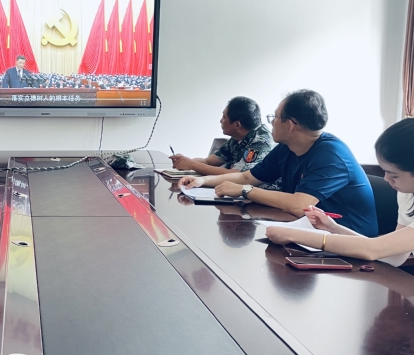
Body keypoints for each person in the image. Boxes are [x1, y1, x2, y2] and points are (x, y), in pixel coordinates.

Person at [179, 90, 378, 236]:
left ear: (290, 125)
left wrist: (245, 191)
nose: (272, 122)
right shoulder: (286, 147)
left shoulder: (331, 155)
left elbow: (300, 205)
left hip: (349, 242)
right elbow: (247, 177)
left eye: (274, 117)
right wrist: (203, 181)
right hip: (309, 231)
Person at [266, 117, 414, 265]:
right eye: (385, 172)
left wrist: (295, 235)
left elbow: (373, 250)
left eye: (394, 175)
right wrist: (334, 228)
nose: (386, 179)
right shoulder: (407, 193)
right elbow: (394, 256)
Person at [169, 96, 275, 176]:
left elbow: (237, 175)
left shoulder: (261, 142)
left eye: (224, 117)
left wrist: (192, 165)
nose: (220, 121)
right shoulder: (237, 137)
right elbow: (209, 162)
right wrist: (185, 161)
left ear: (237, 125)